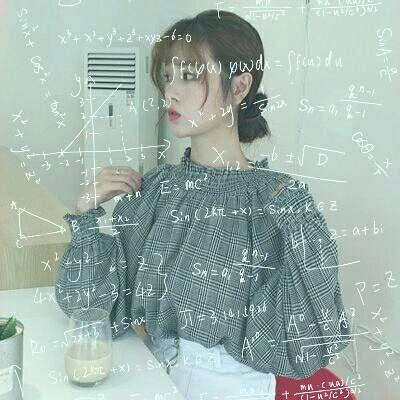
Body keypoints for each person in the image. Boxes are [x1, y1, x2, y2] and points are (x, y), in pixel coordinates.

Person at [55, 9, 352, 400]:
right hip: (149, 384)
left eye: (190, 75)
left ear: (239, 86)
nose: (170, 92)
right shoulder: (158, 190)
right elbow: (94, 312)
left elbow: (305, 341)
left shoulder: (278, 203)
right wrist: (84, 217)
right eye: (167, 77)